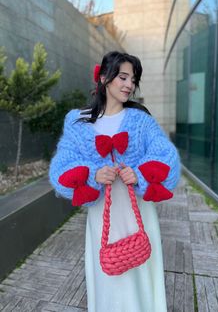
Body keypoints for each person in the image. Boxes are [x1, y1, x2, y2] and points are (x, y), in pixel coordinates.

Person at [49, 51, 180, 312]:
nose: (129, 85)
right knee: (108, 270)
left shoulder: (141, 120)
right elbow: (62, 164)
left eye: (133, 79)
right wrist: (92, 174)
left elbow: (166, 155)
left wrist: (140, 173)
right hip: (103, 213)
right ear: (104, 77)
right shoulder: (78, 121)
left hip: (137, 211)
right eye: (123, 77)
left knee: (140, 268)